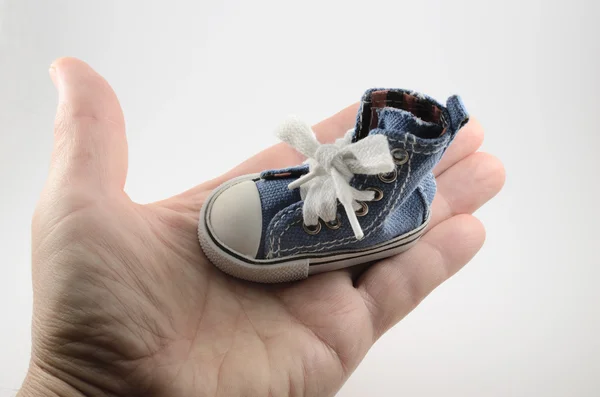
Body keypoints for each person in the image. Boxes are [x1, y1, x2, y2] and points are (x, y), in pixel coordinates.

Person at [18, 57, 505, 397]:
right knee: (386, 130)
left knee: (406, 147)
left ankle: (375, 209)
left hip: (386, 210)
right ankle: (350, 172)